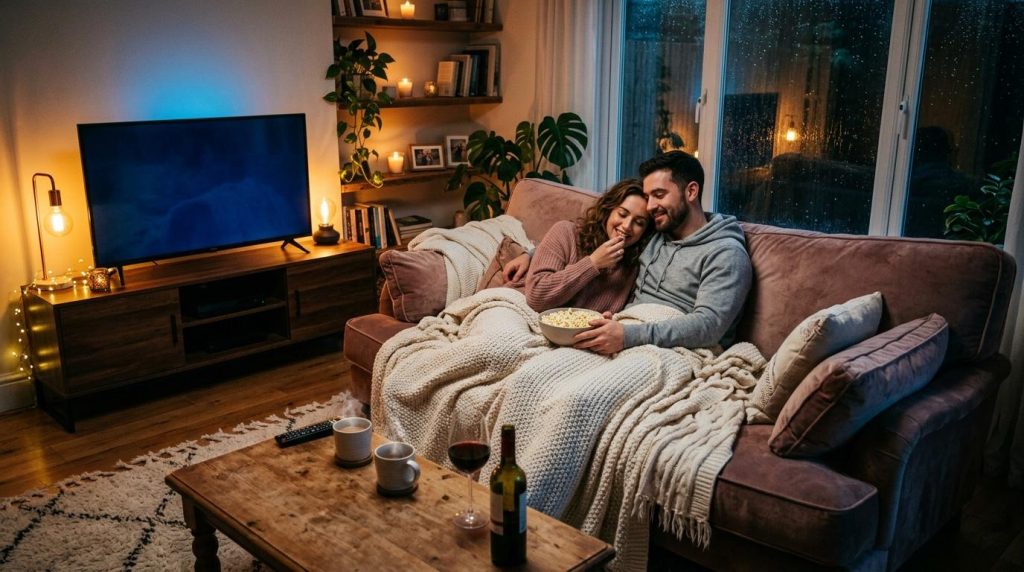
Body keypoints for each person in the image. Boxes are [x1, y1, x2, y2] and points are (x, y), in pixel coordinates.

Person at [504, 151, 752, 355]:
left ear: (691, 192)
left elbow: (709, 326)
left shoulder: (726, 253)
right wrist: (530, 254)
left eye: (659, 195)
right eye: (648, 197)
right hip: (620, 331)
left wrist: (627, 336)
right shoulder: (658, 232)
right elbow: (585, 239)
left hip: (664, 346)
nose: (651, 207)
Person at [518, 178, 652, 314]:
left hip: (579, 332)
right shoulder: (566, 232)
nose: (627, 226)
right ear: (609, 209)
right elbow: (535, 298)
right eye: (622, 214)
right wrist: (593, 263)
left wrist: (612, 321)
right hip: (523, 309)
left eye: (639, 223)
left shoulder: (637, 267)